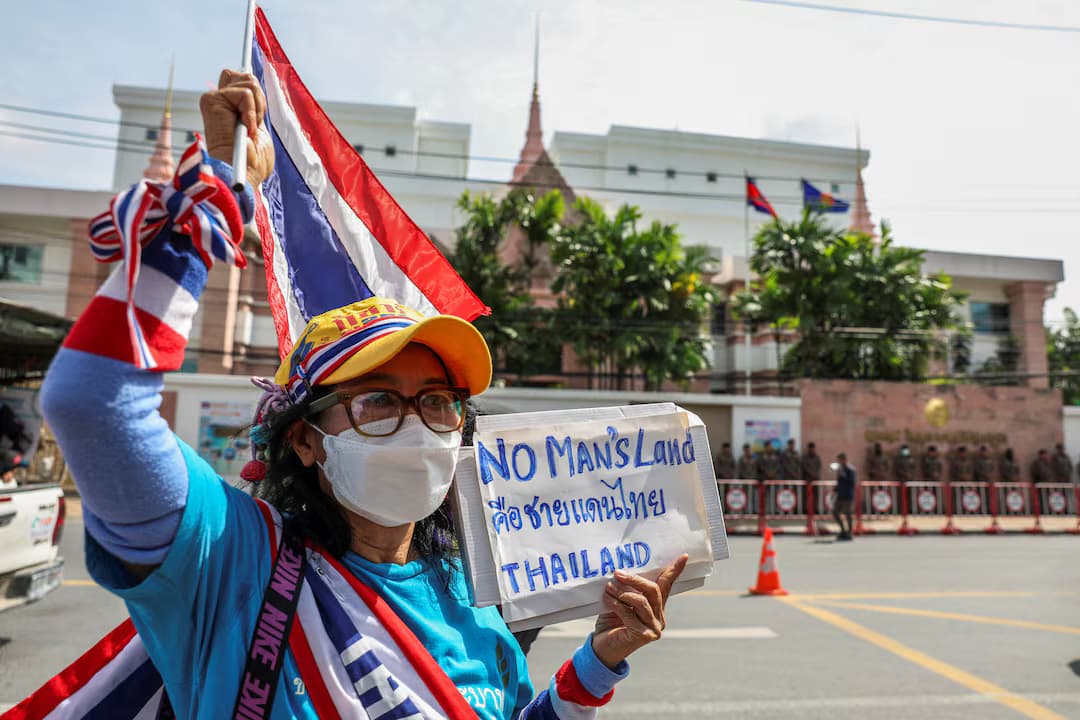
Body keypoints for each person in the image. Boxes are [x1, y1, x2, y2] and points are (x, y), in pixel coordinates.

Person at [37, 70, 686, 719]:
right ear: (307, 439)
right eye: (379, 401)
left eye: (438, 401)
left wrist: (598, 664)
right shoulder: (230, 563)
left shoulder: (475, 605)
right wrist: (215, 195)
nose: (418, 427)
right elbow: (91, 400)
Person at [832, 453, 856, 541]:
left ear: (844, 460)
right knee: (835, 512)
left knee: (848, 514)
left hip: (847, 496)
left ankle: (849, 532)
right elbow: (839, 482)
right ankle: (843, 530)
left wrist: (843, 475)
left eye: (840, 460)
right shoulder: (840, 470)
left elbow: (852, 483)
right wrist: (835, 489)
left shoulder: (850, 470)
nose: (839, 462)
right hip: (840, 495)